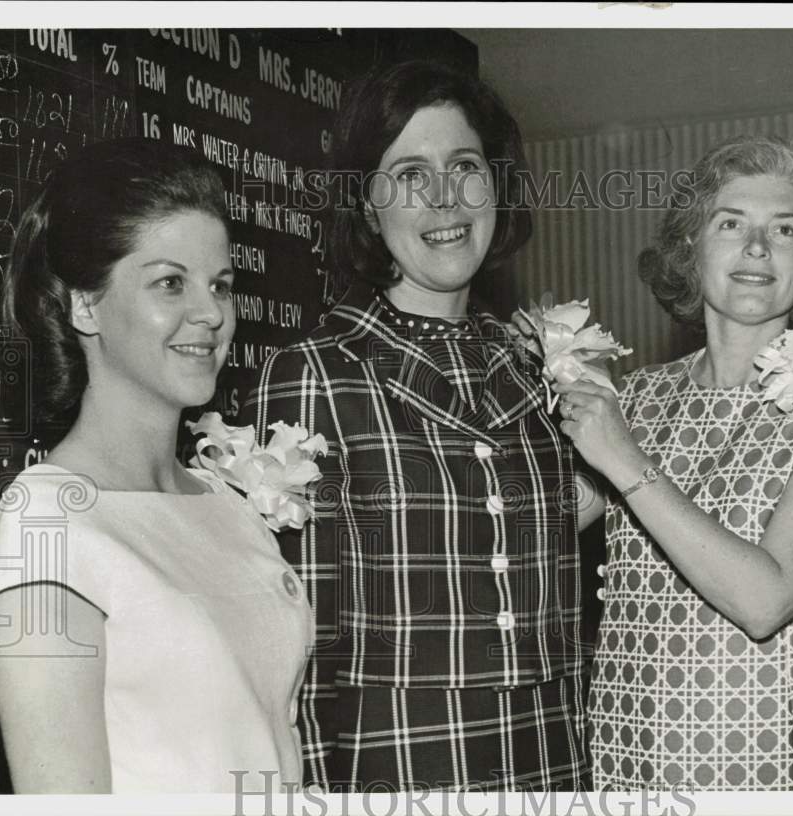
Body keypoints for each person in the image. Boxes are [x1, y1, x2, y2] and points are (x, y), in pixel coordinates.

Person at [240, 60, 595, 792]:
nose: (443, 197)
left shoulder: (544, 367)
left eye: (464, 165)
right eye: (408, 173)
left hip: (553, 758)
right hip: (397, 764)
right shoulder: (315, 373)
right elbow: (292, 633)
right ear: (367, 206)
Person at [550, 135, 793, 790]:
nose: (757, 247)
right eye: (730, 223)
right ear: (690, 251)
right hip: (626, 759)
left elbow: (765, 599)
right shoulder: (639, 398)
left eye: (785, 230)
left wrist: (623, 460)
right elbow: (536, 530)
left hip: (769, 769)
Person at [0, 138, 313, 793]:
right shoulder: (47, 524)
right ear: (84, 305)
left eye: (220, 285)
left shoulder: (227, 504)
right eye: (170, 282)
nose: (212, 313)